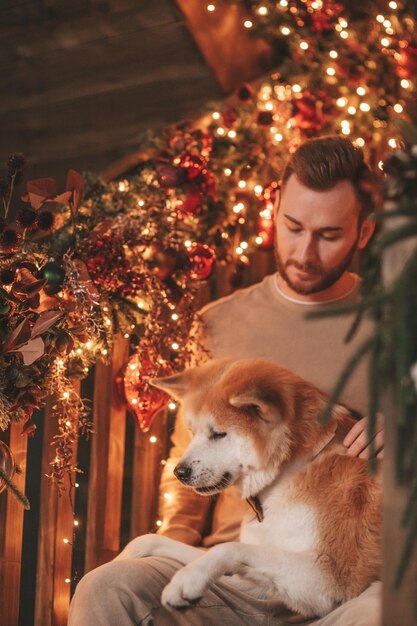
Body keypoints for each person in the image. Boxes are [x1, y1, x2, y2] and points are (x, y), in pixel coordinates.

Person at [69, 136, 383, 626]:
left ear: (363, 233)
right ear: (274, 210)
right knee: (106, 586)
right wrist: (173, 538)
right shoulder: (222, 323)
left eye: (328, 234)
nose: (304, 252)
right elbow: (189, 452)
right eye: (293, 226)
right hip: (228, 573)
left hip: (342, 581)